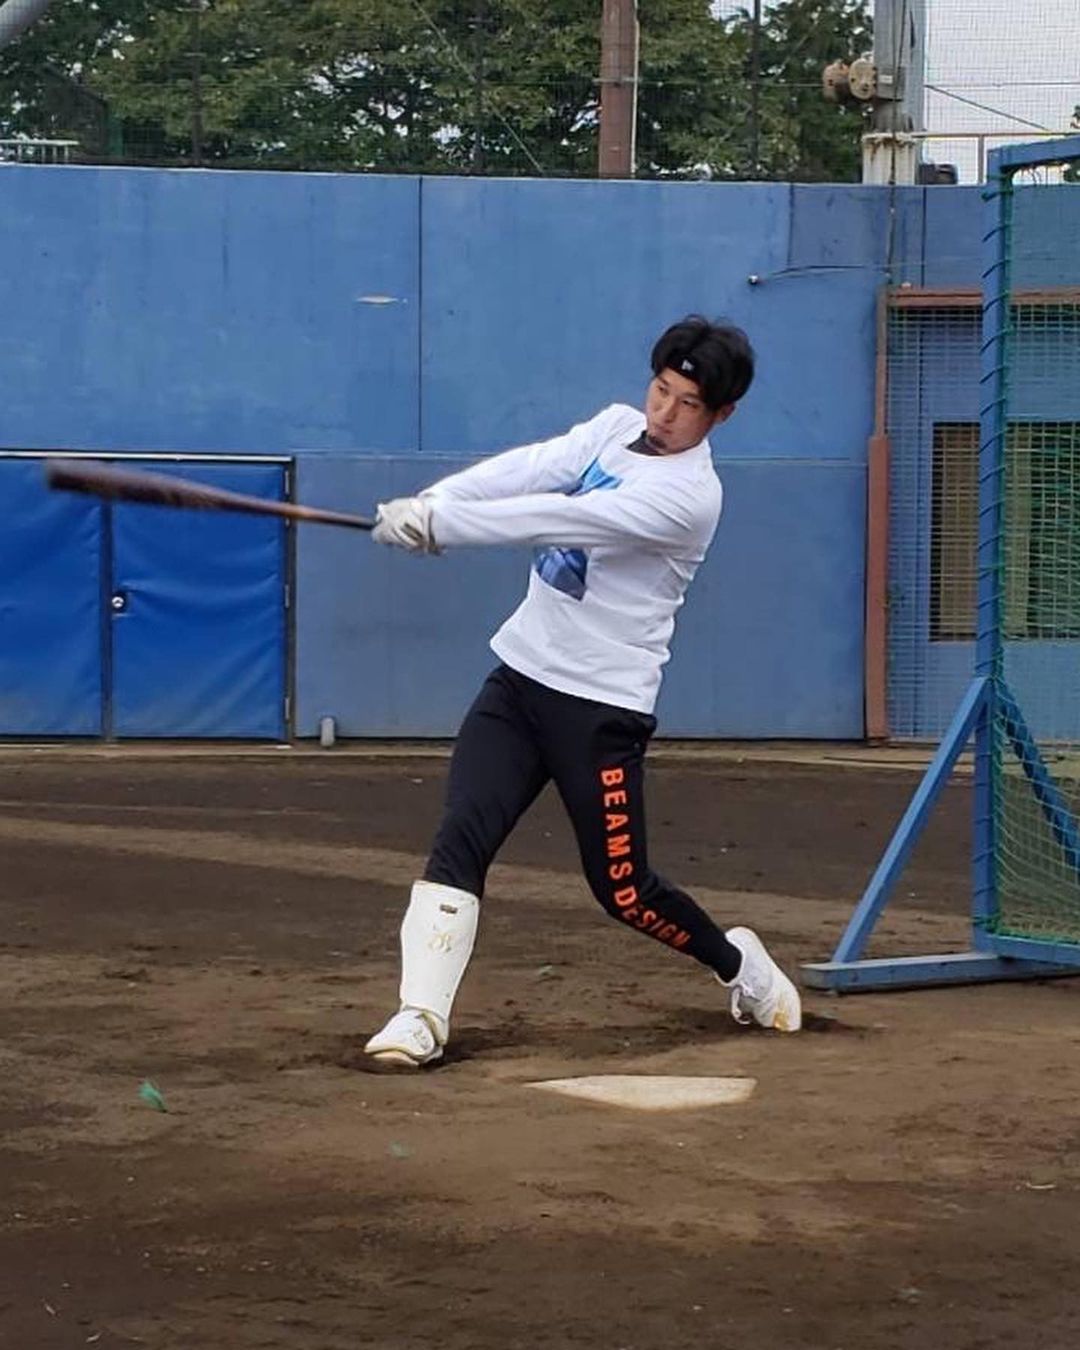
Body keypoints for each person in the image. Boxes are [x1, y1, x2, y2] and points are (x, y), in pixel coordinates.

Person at [363, 315, 801, 1068]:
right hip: (520, 679)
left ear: (722, 415)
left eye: (688, 405)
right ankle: (419, 1016)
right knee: (461, 837)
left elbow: (566, 515)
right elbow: (530, 470)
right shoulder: (613, 428)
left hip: (599, 708)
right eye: (660, 391)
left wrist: (444, 526)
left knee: (625, 891)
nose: (664, 414)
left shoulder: (689, 497)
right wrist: (429, 504)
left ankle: (742, 968)